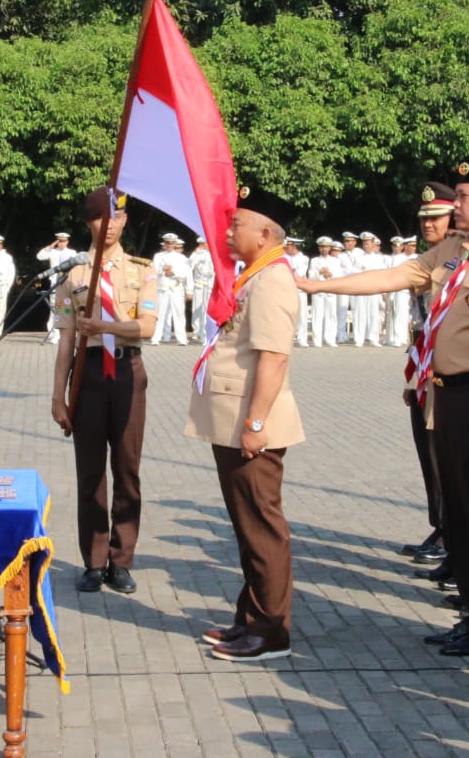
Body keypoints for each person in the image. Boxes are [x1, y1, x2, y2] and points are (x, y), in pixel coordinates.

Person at [299, 160, 469, 655]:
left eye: (466, 195)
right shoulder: (454, 250)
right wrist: (317, 287)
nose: (456, 205)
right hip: (448, 394)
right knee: (460, 511)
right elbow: (395, 274)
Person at [185, 186, 304, 662]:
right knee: (247, 525)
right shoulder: (253, 277)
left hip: (252, 423)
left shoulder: (273, 280)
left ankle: (272, 630)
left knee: (261, 526)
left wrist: (255, 422)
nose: (229, 231)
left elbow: (273, 359)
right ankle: (250, 617)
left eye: (238, 224)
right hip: (235, 419)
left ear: (265, 232)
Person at [51, 188, 158, 594]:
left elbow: (147, 327)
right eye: (99, 219)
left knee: (128, 470)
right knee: (90, 471)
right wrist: (57, 395)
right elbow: (65, 340)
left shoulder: (142, 270)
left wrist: (107, 328)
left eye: (115, 218)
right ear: (88, 224)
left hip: (129, 370)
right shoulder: (73, 275)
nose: (108, 225)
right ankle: (94, 561)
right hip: (90, 373)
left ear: (125, 220)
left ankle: (122, 559)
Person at [401, 182, 456, 562]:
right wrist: (411, 376)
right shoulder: (429, 259)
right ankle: (441, 525)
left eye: (436, 217)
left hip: (448, 373)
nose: (428, 224)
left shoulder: (459, 259)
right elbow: (419, 325)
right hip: (423, 367)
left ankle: (452, 536)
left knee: (443, 457)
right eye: (424, 218)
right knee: (428, 455)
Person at [150, 234, 191, 345]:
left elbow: (186, 274)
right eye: (167, 243)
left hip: (176, 288)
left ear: (175, 244)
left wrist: (173, 273)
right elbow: (153, 271)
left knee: (179, 315)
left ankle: (182, 339)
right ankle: (155, 338)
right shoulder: (158, 256)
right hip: (162, 288)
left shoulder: (182, 258)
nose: (169, 245)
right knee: (159, 314)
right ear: (164, 243)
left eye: (172, 243)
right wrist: (162, 270)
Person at [37, 231, 77, 344]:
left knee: (65, 308)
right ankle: (54, 333)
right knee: (55, 308)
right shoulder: (52, 252)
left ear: (67, 242)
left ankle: (60, 332)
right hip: (55, 283)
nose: (62, 243)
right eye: (60, 241)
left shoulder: (72, 252)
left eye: (64, 241)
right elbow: (39, 256)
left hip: (67, 282)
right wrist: (51, 246)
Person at [352, 232, 388, 347]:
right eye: (364, 244)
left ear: (373, 245)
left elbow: (383, 274)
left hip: (374, 289)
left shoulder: (379, 259)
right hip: (361, 289)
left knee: (374, 314)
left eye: (368, 244)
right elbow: (353, 273)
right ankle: (359, 338)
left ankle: (374, 338)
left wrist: (383, 291)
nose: (366, 246)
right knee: (360, 313)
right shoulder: (358, 259)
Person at [307, 237, 340, 347]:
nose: (324, 249)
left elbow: (339, 276)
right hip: (318, 290)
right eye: (321, 247)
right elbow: (310, 276)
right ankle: (317, 340)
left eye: (325, 246)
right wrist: (320, 273)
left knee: (331, 315)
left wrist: (329, 274)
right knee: (318, 315)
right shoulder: (315, 260)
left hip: (330, 290)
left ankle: (330, 339)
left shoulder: (335, 261)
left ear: (330, 247)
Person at [384, 236, 412, 347]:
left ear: (402, 247)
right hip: (389, 289)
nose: (396, 248)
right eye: (394, 246)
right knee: (389, 313)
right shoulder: (388, 258)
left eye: (399, 246)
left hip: (401, 289)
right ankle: (390, 337)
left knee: (401, 313)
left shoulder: (405, 259)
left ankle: (400, 337)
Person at [284, 238, 310, 346]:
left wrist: (290, 270)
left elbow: (300, 273)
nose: (286, 248)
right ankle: (288, 339)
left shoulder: (304, 258)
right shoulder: (285, 257)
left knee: (302, 316)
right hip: (287, 289)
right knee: (287, 315)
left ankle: (302, 339)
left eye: (288, 246)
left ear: (293, 246)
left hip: (299, 290)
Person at [189, 236, 215, 340]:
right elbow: (190, 266)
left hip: (209, 284)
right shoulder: (197, 254)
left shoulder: (213, 254)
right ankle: (196, 331)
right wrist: (196, 254)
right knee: (196, 307)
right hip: (199, 283)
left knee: (206, 308)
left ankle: (204, 331)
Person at [0, 235, 16, 333]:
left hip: (3, 285)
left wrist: (8, 286)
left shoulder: (7, 257)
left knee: (1, 309)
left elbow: (11, 272)